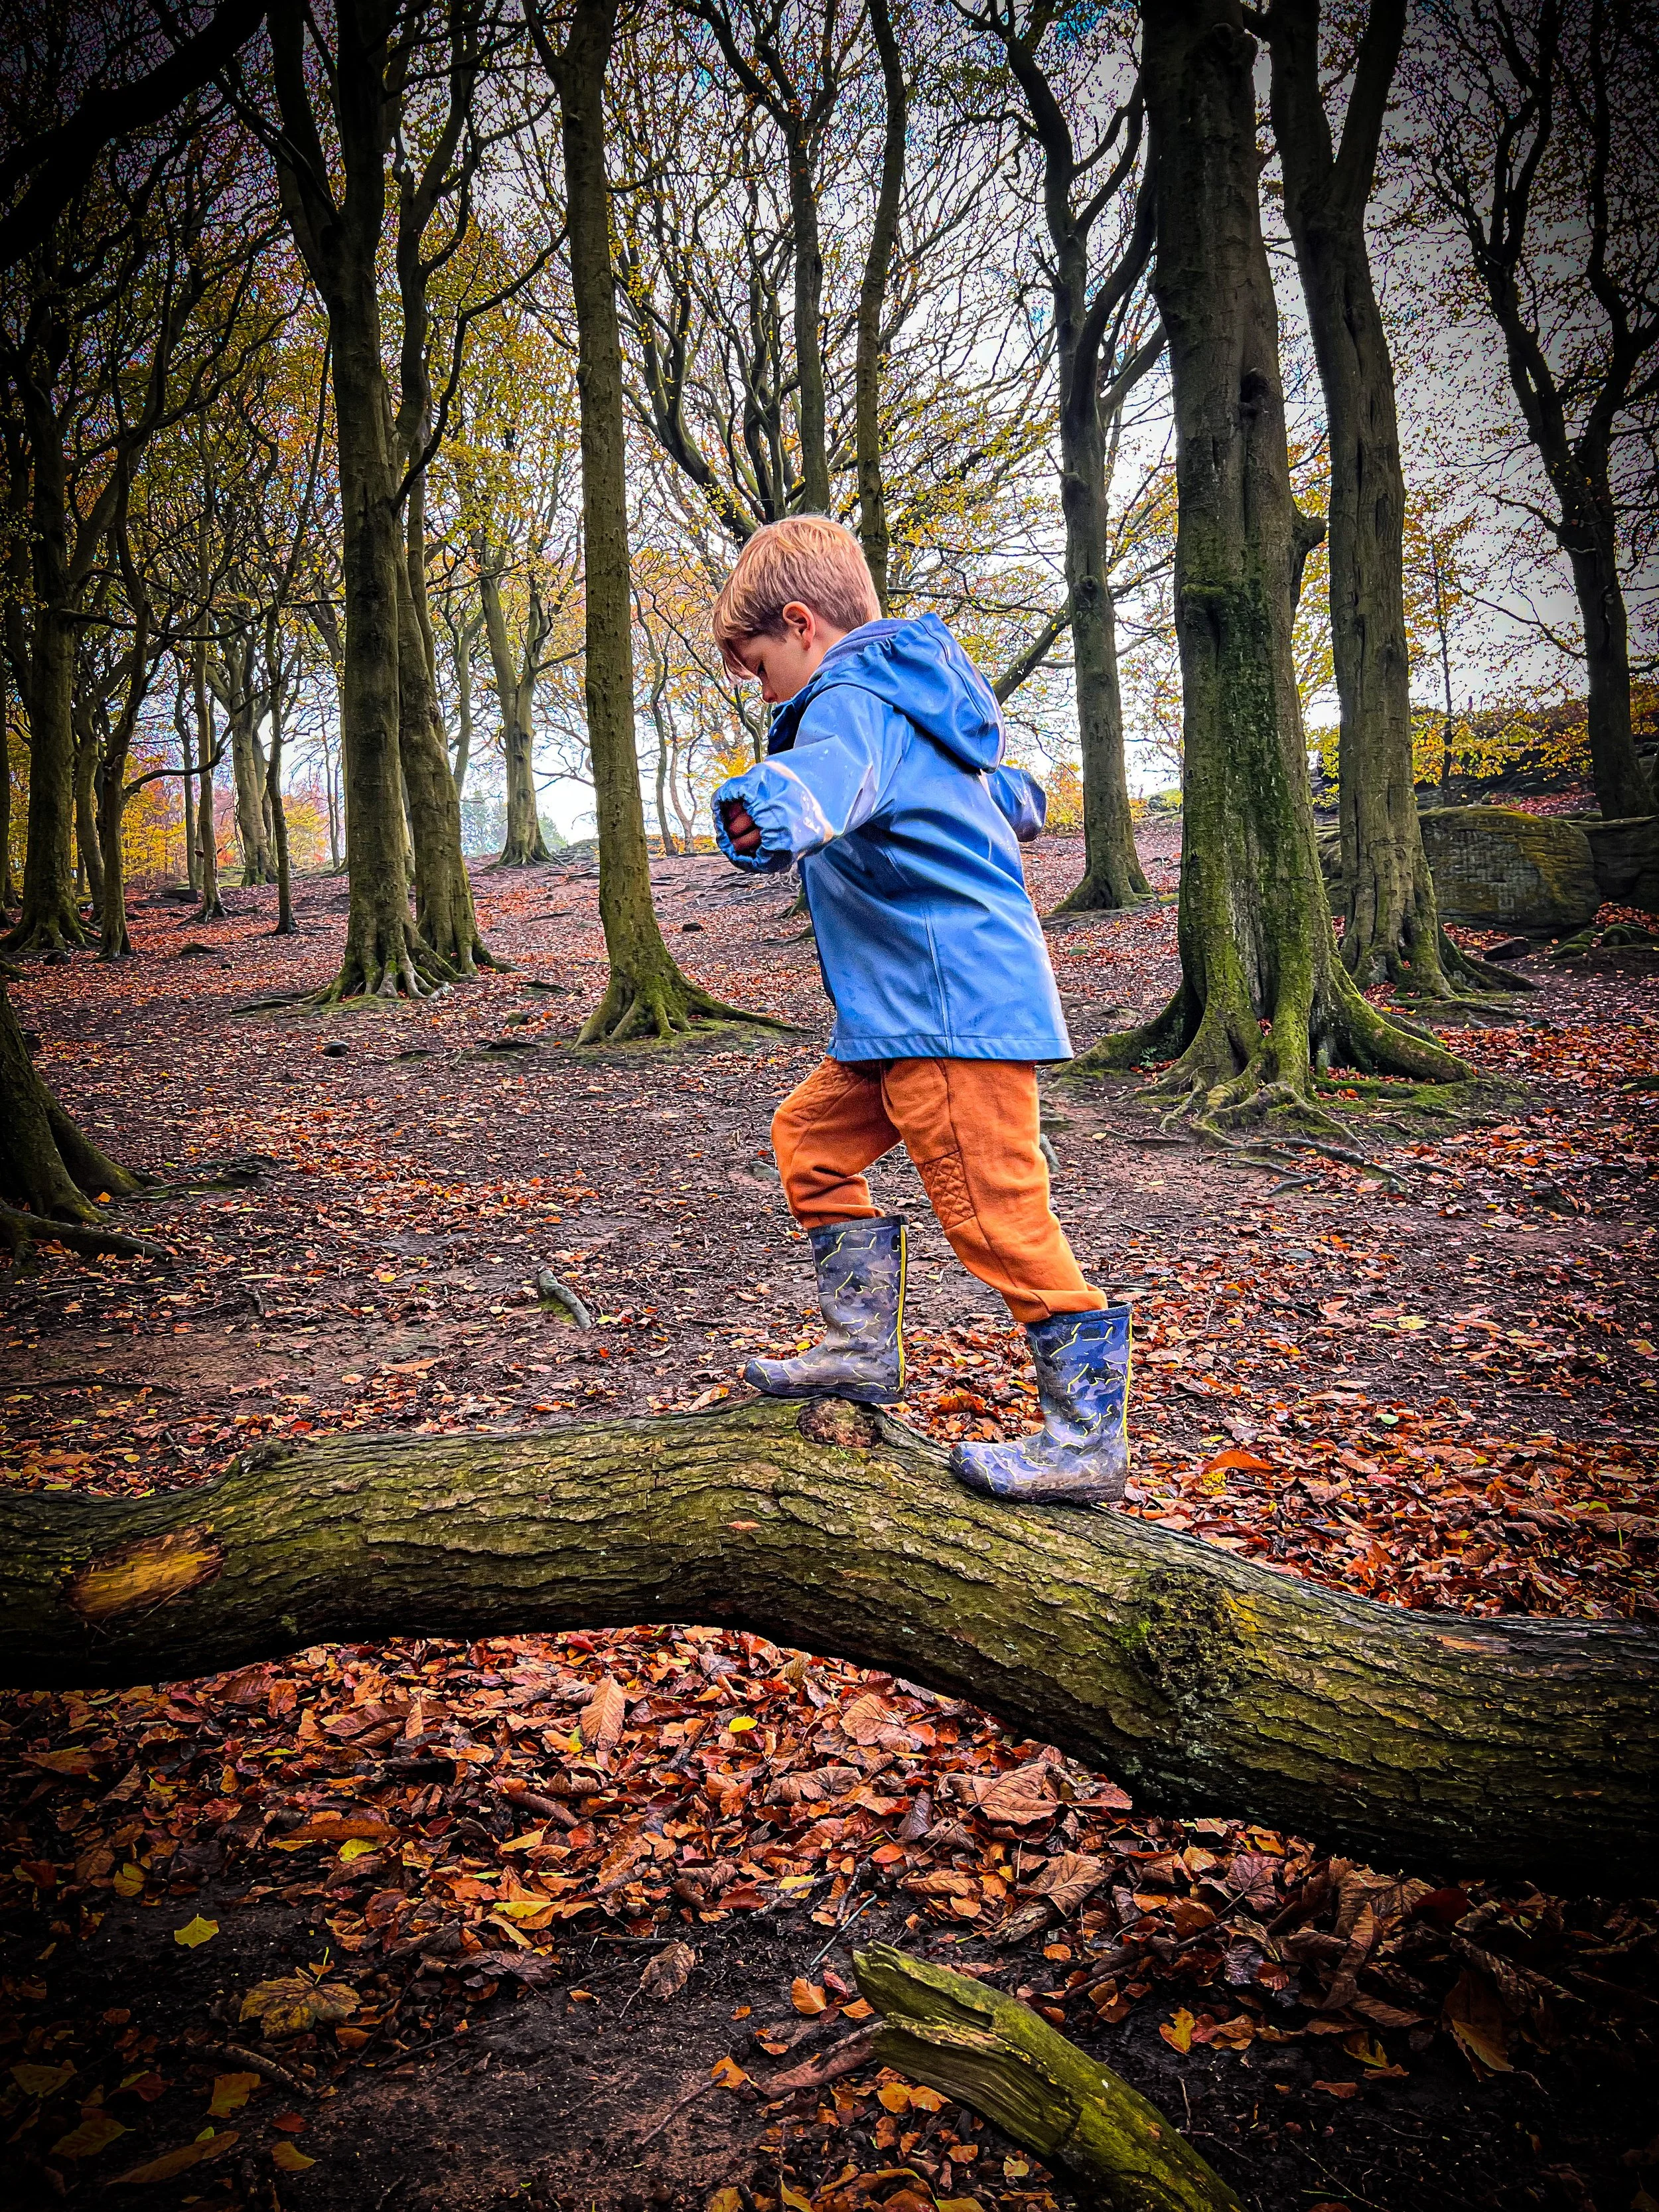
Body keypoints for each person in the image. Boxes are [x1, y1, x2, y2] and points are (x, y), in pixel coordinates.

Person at [709, 514, 1131, 1506]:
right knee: (809, 1141)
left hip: (949, 1016)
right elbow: (1011, 796)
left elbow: (822, 788)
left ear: (804, 626)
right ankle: (860, 1349)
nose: (758, 684)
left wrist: (751, 810)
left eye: (758, 662)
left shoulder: (852, 699)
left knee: (997, 1215)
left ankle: (1087, 1438)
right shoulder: (924, 710)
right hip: (900, 1015)